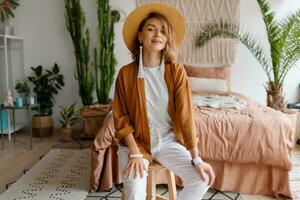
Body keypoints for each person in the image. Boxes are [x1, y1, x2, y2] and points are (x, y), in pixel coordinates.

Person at [113, 3, 215, 200]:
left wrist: (196, 158)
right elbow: (120, 117)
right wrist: (134, 153)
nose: (157, 34)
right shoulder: (126, 74)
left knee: (202, 179)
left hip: (167, 142)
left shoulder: (176, 72)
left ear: (167, 39)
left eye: (163, 31)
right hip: (136, 143)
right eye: (151, 29)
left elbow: (186, 116)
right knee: (135, 193)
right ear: (140, 36)